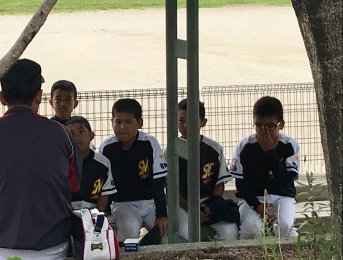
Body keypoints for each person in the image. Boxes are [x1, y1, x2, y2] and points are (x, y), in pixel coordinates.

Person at [0, 58, 80, 260]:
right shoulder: (61, 133)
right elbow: (74, 185)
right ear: (39, 96)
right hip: (52, 247)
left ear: (2, 98)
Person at [165, 99, 238, 241]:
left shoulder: (214, 148)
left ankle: (215, 256)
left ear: (203, 122)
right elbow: (171, 190)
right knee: (187, 233)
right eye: (181, 120)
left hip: (207, 202)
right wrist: (191, 209)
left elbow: (219, 184)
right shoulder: (171, 150)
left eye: (191, 121)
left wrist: (211, 207)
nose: (185, 126)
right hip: (182, 204)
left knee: (230, 233)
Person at [230, 96, 300, 239]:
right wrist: (257, 205)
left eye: (270, 126)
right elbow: (241, 185)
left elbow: (285, 182)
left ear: (281, 125)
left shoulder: (289, 145)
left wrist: (270, 152)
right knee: (251, 230)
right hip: (252, 199)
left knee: (284, 228)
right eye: (258, 126)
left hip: (282, 198)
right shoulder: (244, 146)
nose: (264, 131)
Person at [99, 99, 167, 241]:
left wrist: (162, 214)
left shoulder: (149, 142)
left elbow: (158, 181)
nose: (122, 127)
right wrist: (104, 213)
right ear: (112, 122)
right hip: (123, 204)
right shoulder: (106, 147)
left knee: (166, 235)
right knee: (127, 237)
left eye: (129, 122)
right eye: (118, 122)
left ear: (140, 123)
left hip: (151, 203)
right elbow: (103, 184)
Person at [67, 116, 116, 211]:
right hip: (67, 210)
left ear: (91, 135)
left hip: (92, 210)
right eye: (72, 134)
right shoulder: (62, 162)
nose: (77, 137)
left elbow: (104, 194)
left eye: (81, 131)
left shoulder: (103, 162)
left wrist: (97, 214)